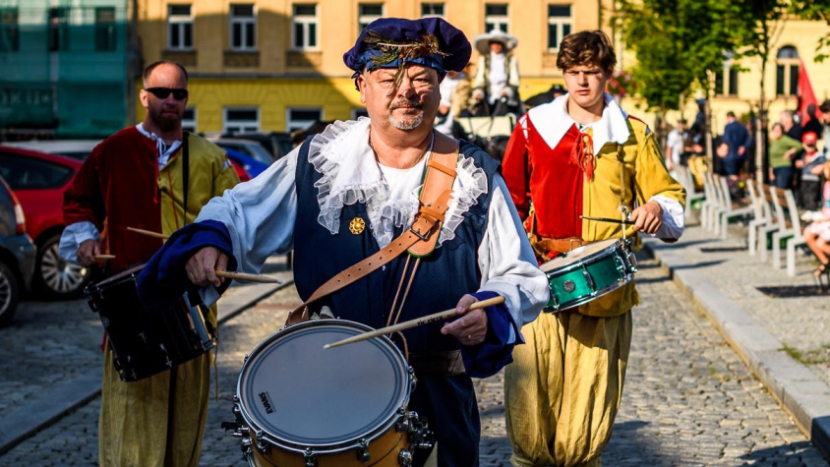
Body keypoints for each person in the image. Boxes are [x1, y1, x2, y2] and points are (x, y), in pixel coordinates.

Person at [135, 17, 549, 467]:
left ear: (440, 87)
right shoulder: (321, 159)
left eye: (422, 79)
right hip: (325, 391)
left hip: (436, 402)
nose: (406, 92)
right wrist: (213, 241)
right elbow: (238, 209)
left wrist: (492, 309)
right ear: (362, 86)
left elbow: (521, 276)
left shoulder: (475, 174)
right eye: (389, 78)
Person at [500, 30, 686, 467]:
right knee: (531, 402)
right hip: (538, 285)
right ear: (563, 74)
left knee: (588, 407)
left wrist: (657, 206)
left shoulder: (633, 134)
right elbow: (507, 201)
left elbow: (669, 194)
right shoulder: (531, 128)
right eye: (574, 73)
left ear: (608, 75)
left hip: (606, 290)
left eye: (592, 73)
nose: (582, 83)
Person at [59, 61, 240, 467]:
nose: (171, 100)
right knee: (132, 426)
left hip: (191, 309)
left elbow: (239, 215)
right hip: (130, 307)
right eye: (162, 92)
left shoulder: (210, 158)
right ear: (145, 97)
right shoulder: (113, 150)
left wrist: (221, 252)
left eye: (179, 94)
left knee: (183, 427)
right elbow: (78, 200)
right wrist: (86, 238)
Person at [471, 29, 521, 115]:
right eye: (494, 43)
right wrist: (479, 92)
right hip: (487, 98)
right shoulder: (484, 60)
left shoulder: (511, 60)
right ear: (490, 45)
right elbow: (480, 79)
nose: (496, 46)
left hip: (505, 100)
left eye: (499, 43)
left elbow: (514, 80)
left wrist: (507, 92)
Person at [803, 162, 830, 276]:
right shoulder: (827, 185)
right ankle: (826, 262)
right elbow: (826, 204)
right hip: (825, 218)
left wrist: (824, 219)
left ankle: (826, 264)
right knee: (807, 233)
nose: (824, 171)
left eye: (826, 169)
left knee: (820, 243)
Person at [796, 131, 826, 212]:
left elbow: (823, 164)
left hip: (814, 180)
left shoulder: (819, 155)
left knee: (812, 196)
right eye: (808, 145)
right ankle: (806, 210)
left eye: (811, 145)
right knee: (805, 196)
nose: (810, 147)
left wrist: (820, 167)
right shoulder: (804, 155)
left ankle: (812, 210)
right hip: (804, 179)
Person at [768, 122, 802, 189]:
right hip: (775, 168)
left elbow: (799, 145)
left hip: (783, 166)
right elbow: (771, 158)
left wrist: (789, 152)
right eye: (775, 130)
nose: (777, 132)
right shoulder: (773, 141)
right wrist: (771, 171)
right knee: (774, 189)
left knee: (781, 189)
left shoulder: (784, 139)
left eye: (779, 130)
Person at [435, 68, 469, 135]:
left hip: (452, 112)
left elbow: (459, 102)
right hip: (439, 107)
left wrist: (448, 108)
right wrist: (439, 106)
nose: (450, 72)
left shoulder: (463, 82)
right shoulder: (441, 78)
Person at [721, 111, 751, 176]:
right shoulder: (742, 127)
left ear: (728, 117)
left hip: (730, 155)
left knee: (731, 176)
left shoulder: (728, 127)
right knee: (739, 174)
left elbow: (726, 140)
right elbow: (748, 139)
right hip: (741, 155)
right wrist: (744, 147)